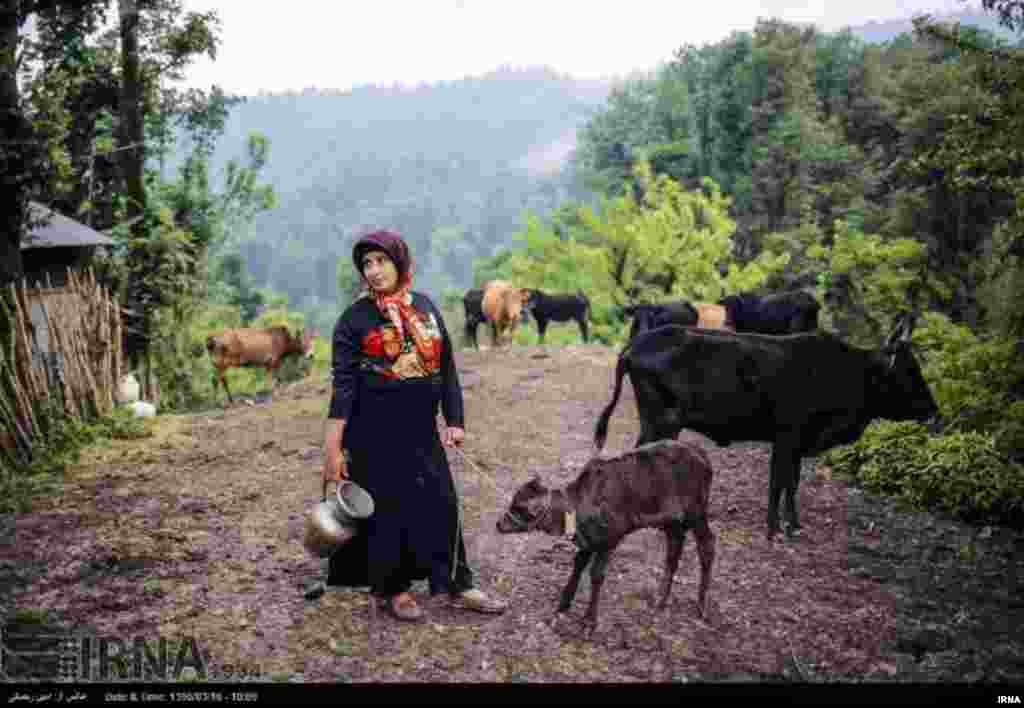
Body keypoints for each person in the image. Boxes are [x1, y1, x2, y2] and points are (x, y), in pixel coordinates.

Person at [309, 229, 507, 622]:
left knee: (443, 504)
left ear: (400, 262)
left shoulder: (427, 309)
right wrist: (332, 451)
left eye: (381, 261)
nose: (374, 270)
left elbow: (446, 369)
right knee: (389, 513)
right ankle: (393, 589)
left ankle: (457, 582)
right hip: (372, 437)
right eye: (367, 263)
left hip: (422, 431)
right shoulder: (354, 321)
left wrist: (455, 420)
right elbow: (343, 391)